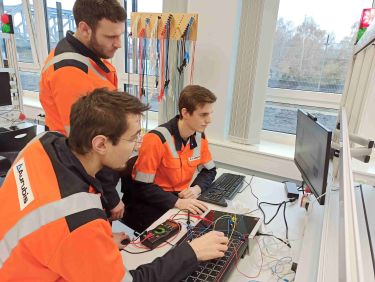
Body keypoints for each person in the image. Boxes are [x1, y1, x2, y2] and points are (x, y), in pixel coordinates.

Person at [0, 88, 229, 281]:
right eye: (132, 138)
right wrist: (191, 252)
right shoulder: (78, 220)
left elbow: (38, 222)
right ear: (100, 144)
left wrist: (99, 243)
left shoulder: (41, 144)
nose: (137, 146)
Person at [40, 0, 126, 219]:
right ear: (84, 29)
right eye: (111, 37)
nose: (118, 44)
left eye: (120, 35)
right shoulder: (70, 72)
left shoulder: (89, 56)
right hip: (79, 173)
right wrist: (111, 198)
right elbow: (87, 145)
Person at [123, 85, 217, 232]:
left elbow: (209, 171)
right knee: (183, 235)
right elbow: (142, 187)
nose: (209, 120)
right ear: (185, 112)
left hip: (182, 198)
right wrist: (177, 202)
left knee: (207, 224)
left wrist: (195, 189)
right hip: (151, 204)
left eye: (210, 114)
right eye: (203, 115)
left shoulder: (199, 136)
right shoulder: (156, 139)